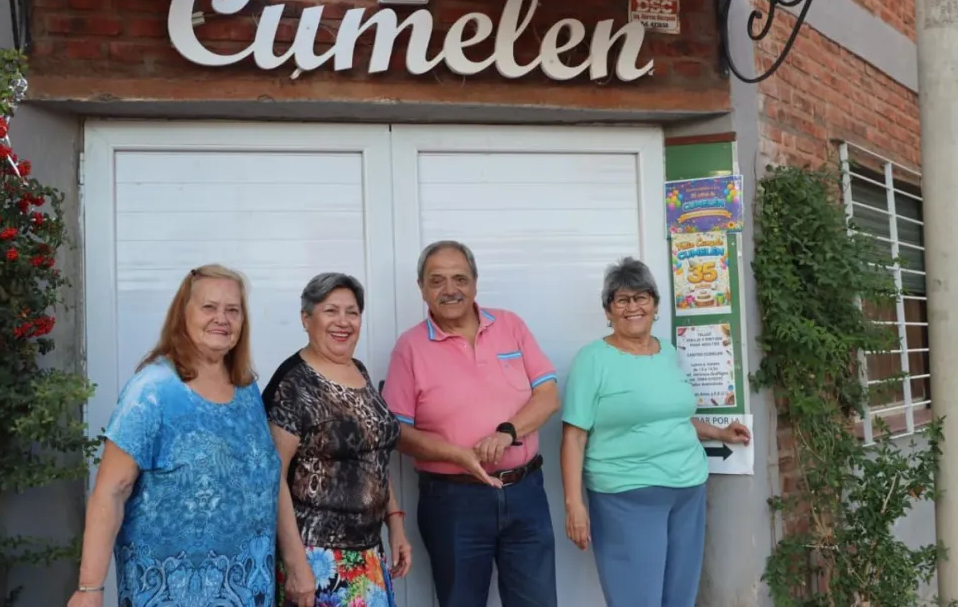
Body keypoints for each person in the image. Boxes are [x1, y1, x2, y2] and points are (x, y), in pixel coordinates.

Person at [68, 264, 281, 607]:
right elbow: (111, 491)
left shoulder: (246, 390)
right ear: (183, 314)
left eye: (232, 310)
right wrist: (90, 588)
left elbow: (268, 480)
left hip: (248, 592)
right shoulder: (152, 391)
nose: (221, 318)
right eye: (209, 307)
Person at [560, 256, 751, 607]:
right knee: (638, 599)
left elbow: (672, 418)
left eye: (641, 297)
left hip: (687, 490)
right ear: (608, 310)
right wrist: (574, 504)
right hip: (626, 497)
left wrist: (720, 433)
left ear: (655, 304)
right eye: (622, 300)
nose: (633, 307)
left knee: (679, 597)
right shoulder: (593, 359)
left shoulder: (668, 353)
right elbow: (574, 436)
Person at [383, 240, 561, 607]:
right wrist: (457, 454)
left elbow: (548, 396)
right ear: (421, 288)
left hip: (525, 492)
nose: (450, 290)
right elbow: (395, 432)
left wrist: (507, 431)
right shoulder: (409, 347)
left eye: (460, 278)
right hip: (453, 500)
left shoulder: (510, 325)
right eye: (437, 281)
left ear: (475, 282)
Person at [263, 272, 412, 607]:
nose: (343, 322)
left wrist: (396, 524)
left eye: (352, 312)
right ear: (306, 318)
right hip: (318, 560)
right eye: (331, 311)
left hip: (368, 555)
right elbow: (272, 480)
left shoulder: (359, 370)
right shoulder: (293, 384)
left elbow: (373, 456)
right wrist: (298, 565)